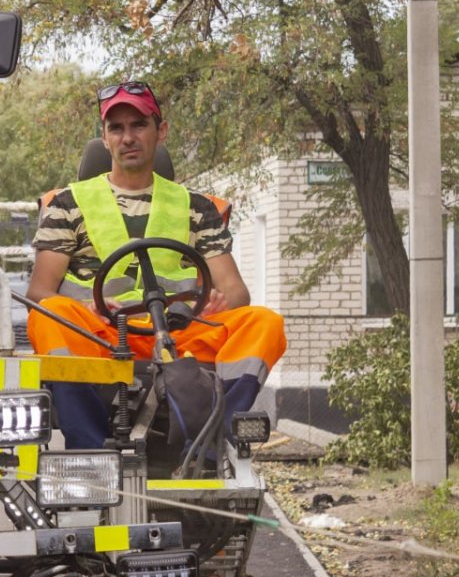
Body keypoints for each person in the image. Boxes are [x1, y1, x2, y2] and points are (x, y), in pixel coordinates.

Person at [26, 80, 286, 448]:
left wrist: (221, 304)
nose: (127, 137)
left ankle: (214, 435)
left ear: (160, 131)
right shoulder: (68, 204)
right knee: (49, 315)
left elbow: (234, 288)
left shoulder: (197, 206)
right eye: (116, 128)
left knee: (264, 322)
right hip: (99, 335)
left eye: (139, 125)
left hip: (180, 336)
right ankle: (88, 445)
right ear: (104, 138)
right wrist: (86, 308)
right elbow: (40, 290)